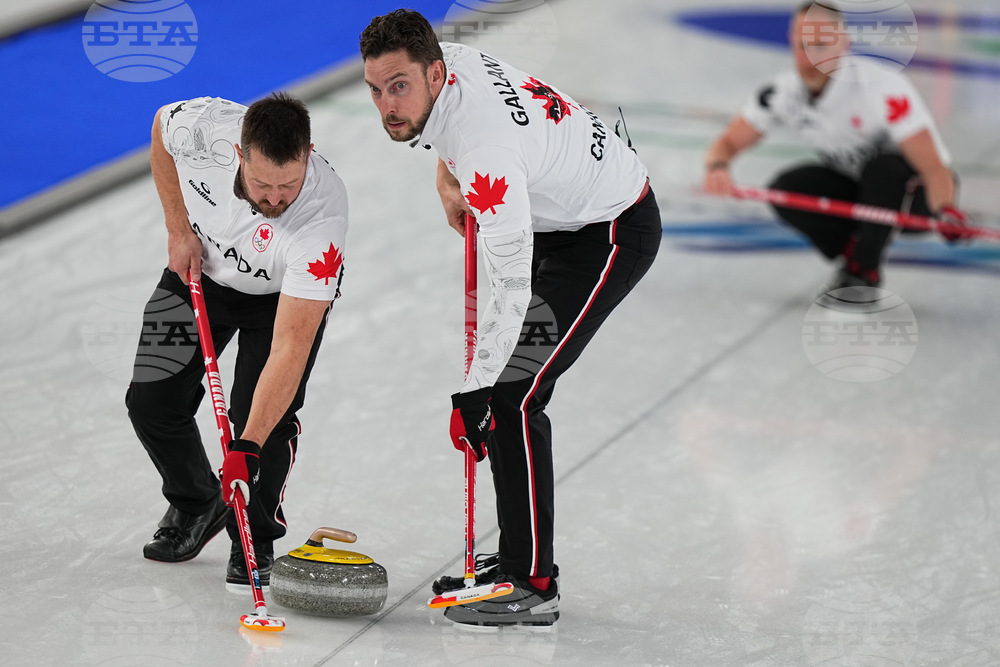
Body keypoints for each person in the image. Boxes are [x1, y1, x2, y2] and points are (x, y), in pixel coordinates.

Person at [360, 9, 661, 627]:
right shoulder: (438, 67)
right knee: (506, 392)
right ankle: (517, 559)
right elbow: (452, 133)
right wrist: (448, 180)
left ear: (435, 73)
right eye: (375, 88)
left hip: (607, 234)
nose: (386, 104)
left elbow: (512, 283)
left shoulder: (486, 150)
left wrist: (473, 391)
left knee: (513, 394)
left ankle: (534, 584)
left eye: (399, 87)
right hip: (556, 214)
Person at [126, 93, 348, 589]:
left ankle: (256, 535)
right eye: (262, 184)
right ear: (239, 152)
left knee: (262, 422)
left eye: (287, 185)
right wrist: (176, 227)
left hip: (279, 300)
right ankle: (198, 503)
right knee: (150, 401)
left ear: (308, 154)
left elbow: (290, 348)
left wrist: (245, 445)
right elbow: (162, 130)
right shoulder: (202, 128)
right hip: (197, 272)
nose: (274, 198)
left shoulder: (322, 216)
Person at [704, 1, 967, 290]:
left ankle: (863, 272)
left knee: (882, 168)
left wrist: (945, 211)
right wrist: (718, 167)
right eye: (802, 46)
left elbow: (933, 167)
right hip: (860, 191)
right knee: (785, 189)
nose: (810, 58)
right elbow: (728, 141)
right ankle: (856, 251)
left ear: (844, 43)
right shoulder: (783, 92)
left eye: (820, 46)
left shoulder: (881, 88)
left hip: (920, 196)